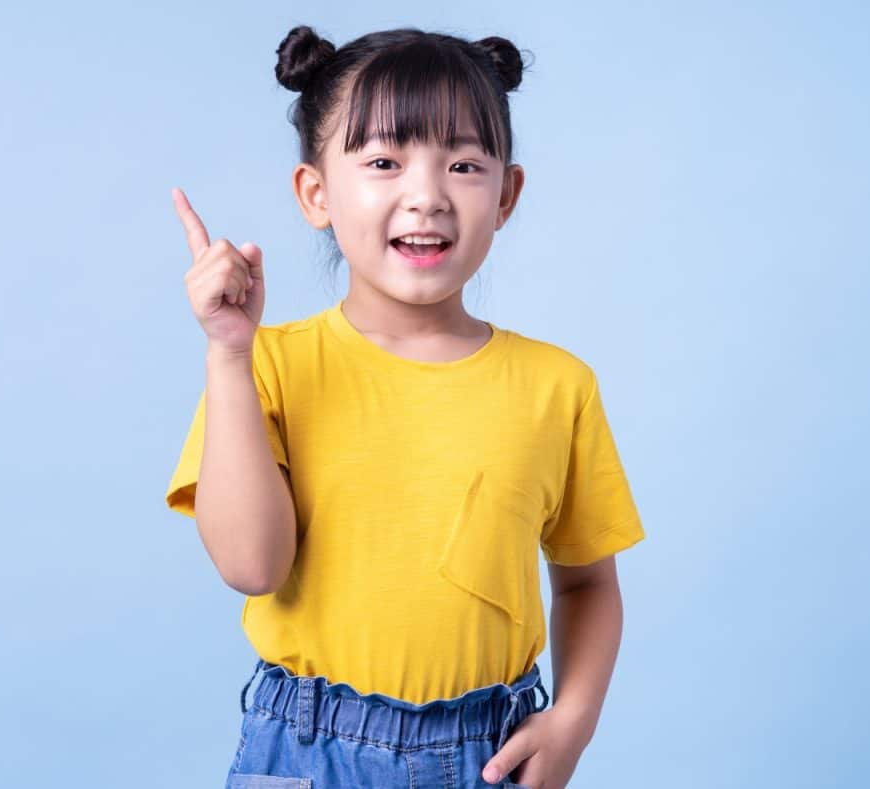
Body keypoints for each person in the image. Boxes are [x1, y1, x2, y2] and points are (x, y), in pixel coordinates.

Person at [165, 24, 646, 789]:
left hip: (490, 754)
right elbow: (253, 566)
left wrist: (574, 721)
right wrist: (228, 351)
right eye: (384, 161)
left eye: (462, 164)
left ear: (507, 194)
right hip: (306, 752)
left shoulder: (559, 386)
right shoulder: (269, 365)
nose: (426, 196)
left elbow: (588, 583)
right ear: (315, 193)